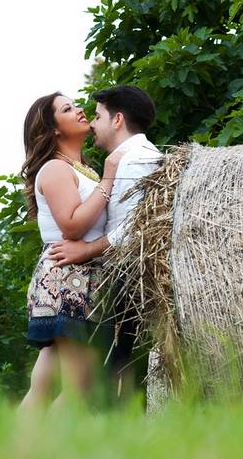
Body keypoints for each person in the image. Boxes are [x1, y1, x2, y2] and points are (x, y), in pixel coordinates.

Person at [47, 85, 161, 400]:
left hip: (133, 276)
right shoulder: (123, 160)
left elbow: (136, 228)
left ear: (117, 120)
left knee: (122, 367)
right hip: (120, 274)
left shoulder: (136, 160)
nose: (92, 123)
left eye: (98, 116)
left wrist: (86, 249)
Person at [18, 91, 125, 409]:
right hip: (68, 278)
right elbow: (73, 226)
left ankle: (15, 451)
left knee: (45, 384)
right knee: (82, 382)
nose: (80, 110)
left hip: (76, 277)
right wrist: (108, 178)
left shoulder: (78, 169)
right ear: (53, 129)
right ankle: (45, 453)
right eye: (68, 109)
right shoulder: (54, 169)